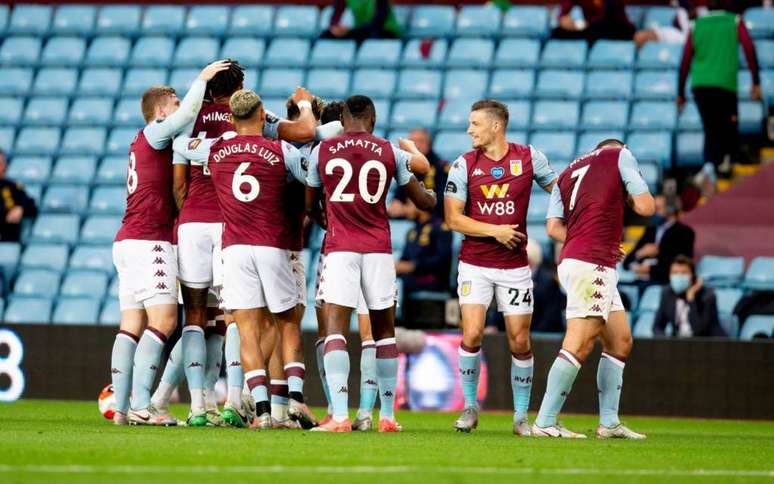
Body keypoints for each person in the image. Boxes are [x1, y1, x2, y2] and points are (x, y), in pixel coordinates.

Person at [151, 62, 320, 428]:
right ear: (244, 89)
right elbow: (307, 135)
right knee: (244, 319)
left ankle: (198, 405)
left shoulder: (189, 120)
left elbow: (178, 180)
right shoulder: (261, 122)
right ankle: (241, 401)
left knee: (196, 317)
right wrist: (306, 107)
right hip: (239, 229)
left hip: (195, 223)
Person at [109, 60, 231, 426]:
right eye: (175, 103)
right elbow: (186, 116)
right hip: (150, 240)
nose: (182, 108)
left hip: (126, 241)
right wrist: (203, 79)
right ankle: (142, 404)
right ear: (161, 111)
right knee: (162, 319)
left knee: (130, 324)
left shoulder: (138, 141)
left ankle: (121, 407)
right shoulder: (157, 130)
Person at [306, 95, 436, 432]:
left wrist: (329, 220)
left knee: (336, 329)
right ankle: (388, 416)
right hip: (379, 250)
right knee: (383, 334)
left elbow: (309, 205)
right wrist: (433, 197)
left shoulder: (323, 151)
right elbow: (421, 200)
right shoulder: (390, 151)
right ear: (373, 119)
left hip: (340, 248)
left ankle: (338, 415)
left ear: (344, 118)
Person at [444, 99, 557, 435]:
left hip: (514, 268)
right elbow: (453, 218)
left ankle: (521, 417)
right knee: (472, 333)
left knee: (519, 341)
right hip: (475, 264)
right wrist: (495, 230)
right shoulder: (463, 165)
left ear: (496, 126)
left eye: (475, 124)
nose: (469, 130)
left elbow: (561, 191)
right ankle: (469, 408)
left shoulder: (529, 157)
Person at [534, 139, 655, 439]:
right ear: (619, 147)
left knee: (620, 341)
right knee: (580, 341)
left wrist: (591, 240)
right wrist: (626, 195)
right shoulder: (620, 155)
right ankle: (545, 422)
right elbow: (646, 206)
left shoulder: (567, 172)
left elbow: (552, 228)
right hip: (592, 264)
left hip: (581, 259)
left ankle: (609, 423)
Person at [677, 0, 761, 184]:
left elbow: (685, 60)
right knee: (727, 126)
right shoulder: (734, 21)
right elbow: (748, 47)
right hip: (725, 85)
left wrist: (680, 93)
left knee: (711, 128)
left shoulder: (696, 24)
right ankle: (721, 165)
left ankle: (709, 165)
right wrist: (756, 82)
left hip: (700, 85)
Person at [624, 194, 695, 285]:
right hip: (640, 282)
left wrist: (650, 269)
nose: (653, 212)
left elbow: (682, 264)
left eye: (657, 209)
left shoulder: (685, 233)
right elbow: (627, 263)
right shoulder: (650, 230)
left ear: (670, 210)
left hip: (665, 284)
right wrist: (640, 253)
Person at [396, 199, 453, 311]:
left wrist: (414, 266)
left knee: (400, 284)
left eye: (408, 204)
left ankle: (396, 322)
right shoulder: (412, 230)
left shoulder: (441, 227)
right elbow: (404, 258)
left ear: (420, 204)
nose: (405, 209)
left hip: (434, 280)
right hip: (412, 278)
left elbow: (442, 261)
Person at [654, 255, 724, 337]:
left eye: (684, 273)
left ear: (693, 276)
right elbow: (657, 327)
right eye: (675, 273)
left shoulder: (708, 296)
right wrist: (666, 343)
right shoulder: (667, 293)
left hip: (707, 344)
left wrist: (691, 299)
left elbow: (699, 330)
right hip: (678, 345)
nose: (679, 277)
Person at [388, 128, 448, 220]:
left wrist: (417, 208)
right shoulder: (407, 166)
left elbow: (445, 201)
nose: (417, 146)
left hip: (437, 222)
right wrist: (403, 208)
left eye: (420, 141)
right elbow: (397, 201)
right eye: (413, 142)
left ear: (429, 143)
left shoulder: (441, 167)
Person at [527, 239, 566, 334]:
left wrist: (534, 335)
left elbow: (551, 315)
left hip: (544, 337)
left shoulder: (548, 281)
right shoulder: (513, 279)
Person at [552, 0, 636, 43]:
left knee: (599, 28)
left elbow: (609, 13)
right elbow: (563, 14)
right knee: (557, 32)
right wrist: (564, 21)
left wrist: (587, 24)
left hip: (617, 27)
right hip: (591, 28)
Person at [0, 150, 38, 242]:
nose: (4, 168)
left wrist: (21, 209)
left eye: (4, 164)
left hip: (8, 242)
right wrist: (5, 217)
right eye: (1, 164)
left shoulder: (10, 186)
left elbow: (31, 205)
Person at [634, 1, 707, 48]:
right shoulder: (681, 10)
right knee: (640, 36)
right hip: (680, 35)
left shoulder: (707, 12)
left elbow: (690, 35)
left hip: (691, 37)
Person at [321, 0, 401, 43]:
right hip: (360, 31)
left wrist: (350, 31)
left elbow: (378, 22)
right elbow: (334, 19)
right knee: (326, 35)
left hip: (385, 31)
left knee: (373, 36)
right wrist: (337, 28)